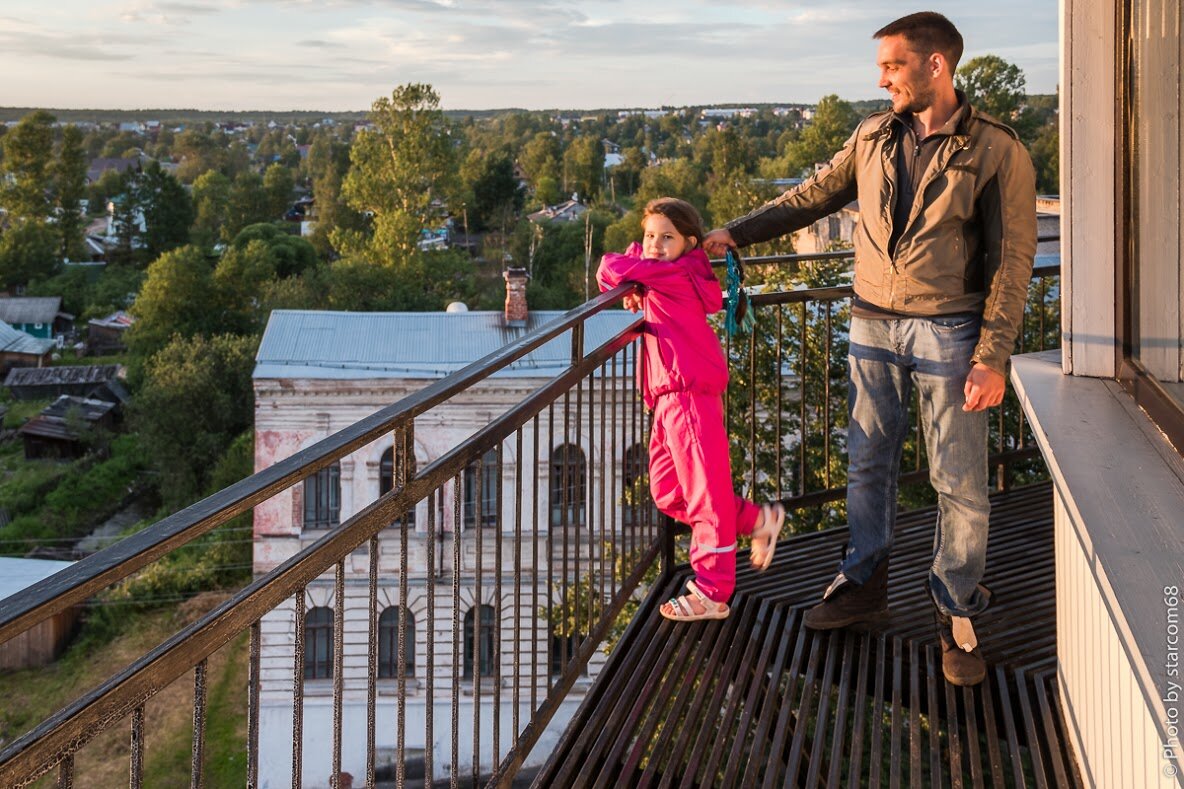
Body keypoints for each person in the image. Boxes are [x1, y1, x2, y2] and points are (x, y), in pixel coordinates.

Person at [703, 12, 1036, 685]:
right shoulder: (871, 136)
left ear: (936, 65)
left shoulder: (998, 150)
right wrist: (733, 234)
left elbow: (1013, 261)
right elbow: (809, 197)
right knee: (866, 462)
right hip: (870, 325)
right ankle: (863, 577)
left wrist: (992, 356)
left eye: (893, 65)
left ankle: (956, 604)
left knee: (960, 479)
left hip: (950, 329)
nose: (879, 78)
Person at [598, 197, 786, 622]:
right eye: (649, 236)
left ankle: (713, 592)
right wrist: (641, 281)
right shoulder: (671, 271)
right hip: (669, 397)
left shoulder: (671, 274)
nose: (654, 245)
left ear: (689, 242)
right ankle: (757, 520)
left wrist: (636, 269)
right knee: (668, 492)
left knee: (705, 499)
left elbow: (607, 270)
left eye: (667, 237)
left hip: (687, 393)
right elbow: (631, 273)